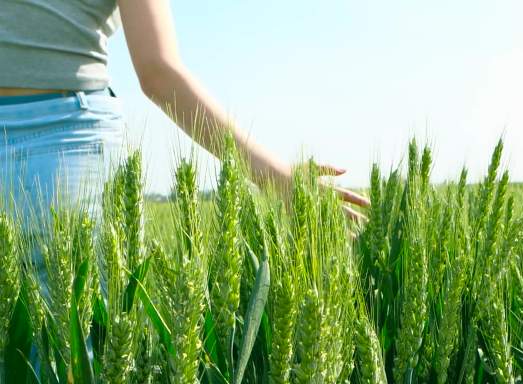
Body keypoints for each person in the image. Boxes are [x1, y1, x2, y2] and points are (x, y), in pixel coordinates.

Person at [0, 0, 369, 232]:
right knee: (68, 350)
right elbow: (159, 73)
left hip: (64, 150)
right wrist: (278, 180)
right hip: (67, 153)